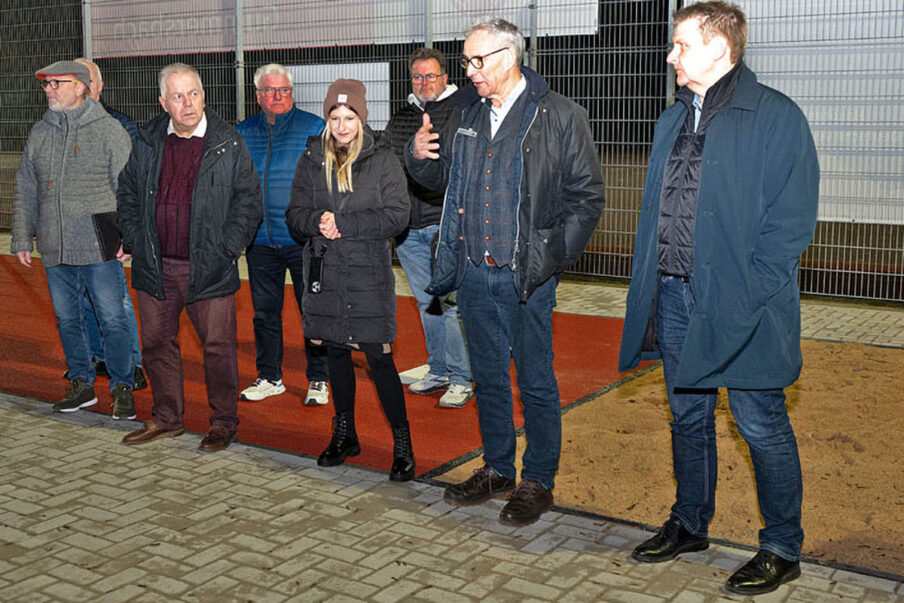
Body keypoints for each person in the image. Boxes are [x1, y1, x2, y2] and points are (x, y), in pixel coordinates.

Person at [617, 2, 819, 596]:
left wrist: (747, 292)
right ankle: (689, 523)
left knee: (760, 424)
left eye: (681, 45)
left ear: (719, 48)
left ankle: (781, 546)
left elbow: (790, 223)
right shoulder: (673, 118)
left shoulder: (775, 116)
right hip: (676, 296)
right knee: (687, 416)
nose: (671, 56)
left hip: (745, 305)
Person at [407, 18, 605, 525]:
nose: (469, 70)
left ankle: (538, 479)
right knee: (489, 378)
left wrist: (549, 257)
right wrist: (418, 157)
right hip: (474, 272)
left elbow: (587, 198)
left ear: (509, 57)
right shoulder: (467, 115)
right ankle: (498, 468)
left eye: (478, 60)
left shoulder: (560, 115)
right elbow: (441, 179)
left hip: (526, 278)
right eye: (467, 60)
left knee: (535, 381)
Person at [117, 63, 262, 452]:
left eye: (194, 93)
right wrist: (135, 239)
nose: (188, 103)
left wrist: (227, 249)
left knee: (218, 347)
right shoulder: (147, 140)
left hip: (209, 268)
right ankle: (167, 418)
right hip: (155, 265)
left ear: (204, 96)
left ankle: (224, 423)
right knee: (156, 343)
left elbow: (249, 200)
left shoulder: (227, 142)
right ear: (163, 102)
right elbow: (127, 192)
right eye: (178, 96)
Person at [285, 79, 414, 481]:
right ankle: (344, 435)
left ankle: (403, 444)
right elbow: (295, 214)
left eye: (350, 118)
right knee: (336, 353)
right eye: (335, 118)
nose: (342, 126)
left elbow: (398, 215)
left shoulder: (383, 159)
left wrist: (345, 223)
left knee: (379, 358)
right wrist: (317, 221)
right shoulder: (311, 159)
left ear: (362, 119)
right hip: (325, 273)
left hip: (367, 276)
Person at [11, 60, 136, 418]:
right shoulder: (40, 132)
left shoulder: (109, 130)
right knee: (68, 321)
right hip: (55, 245)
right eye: (47, 85)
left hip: (99, 246)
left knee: (112, 319)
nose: (48, 91)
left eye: (57, 84)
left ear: (81, 87)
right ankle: (82, 383)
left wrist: (129, 239)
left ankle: (122, 386)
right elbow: (26, 187)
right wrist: (22, 236)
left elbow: (128, 190)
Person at [384, 48, 474, 409]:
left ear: (445, 77)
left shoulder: (461, 111)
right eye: (418, 76)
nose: (424, 82)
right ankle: (438, 369)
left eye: (431, 76)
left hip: (444, 225)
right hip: (409, 229)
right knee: (427, 303)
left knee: (450, 303)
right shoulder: (402, 117)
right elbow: (390, 166)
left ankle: (462, 377)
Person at [236, 63, 330, 406]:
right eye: (269, 90)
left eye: (283, 90)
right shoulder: (243, 132)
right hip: (260, 241)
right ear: (257, 95)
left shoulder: (314, 127)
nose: (276, 96)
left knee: (313, 312)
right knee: (264, 314)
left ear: (292, 92)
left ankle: (319, 379)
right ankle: (269, 376)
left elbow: (330, 181)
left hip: (304, 241)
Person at [72, 57, 146, 391]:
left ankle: (131, 363)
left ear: (100, 86)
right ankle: (98, 356)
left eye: (88, 80)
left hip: (105, 223)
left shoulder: (121, 125)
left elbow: (132, 183)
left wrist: (126, 234)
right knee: (81, 295)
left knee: (115, 299)